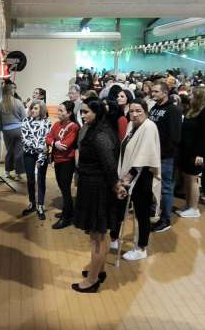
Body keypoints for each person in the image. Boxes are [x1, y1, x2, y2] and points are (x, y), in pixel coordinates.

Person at [72, 99, 120, 293]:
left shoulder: (100, 134)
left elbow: (109, 165)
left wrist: (116, 185)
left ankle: (92, 280)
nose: (83, 115)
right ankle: (99, 270)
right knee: (100, 234)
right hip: (93, 187)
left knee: (97, 237)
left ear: (97, 112)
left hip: (97, 190)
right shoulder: (98, 129)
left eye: (86, 112)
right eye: (82, 112)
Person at [111, 100, 162, 262]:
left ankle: (141, 248)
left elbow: (145, 155)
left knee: (142, 213)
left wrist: (127, 178)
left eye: (138, 110)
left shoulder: (149, 127)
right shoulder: (131, 126)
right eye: (131, 111)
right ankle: (114, 237)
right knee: (119, 207)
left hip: (142, 177)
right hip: (128, 175)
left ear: (145, 111)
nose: (134, 114)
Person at [148, 81, 182, 232]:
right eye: (152, 91)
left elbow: (175, 136)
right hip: (153, 154)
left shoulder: (173, 110)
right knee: (153, 185)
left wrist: (162, 153)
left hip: (165, 156)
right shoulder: (155, 108)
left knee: (166, 188)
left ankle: (166, 219)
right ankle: (154, 209)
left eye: (156, 91)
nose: (153, 94)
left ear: (165, 92)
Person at [176, 87, 205, 219]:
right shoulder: (191, 111)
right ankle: (188, 204)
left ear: (198, 97)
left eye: (192, 95)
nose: (190, 97)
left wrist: (200, 154)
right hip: (186, 150)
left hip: (196, 152)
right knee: (186, 178)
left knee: (193, 179)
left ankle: (194, 208)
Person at [46, 100, 79, 229]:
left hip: (67, 161)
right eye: (58, 110)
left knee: (65, 189)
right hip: (58, 160)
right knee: (62, 187)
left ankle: (67, 217)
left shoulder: (73, 126)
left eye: (61, 110)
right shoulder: (57, 124)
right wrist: (55, 143)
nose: (58, 112)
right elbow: (48, 137)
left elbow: (65, 146)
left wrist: (54, 142)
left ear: (69, 113)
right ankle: (68, 211)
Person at [20, 101, 51, 220]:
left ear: (41, 110)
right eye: (32, 108)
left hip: (42, 155)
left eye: (36, 108)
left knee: (41, 180)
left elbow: (46, 142)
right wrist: (40, 148)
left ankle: (40, 205)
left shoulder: (47, 122)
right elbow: (25, 140)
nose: (33, 110)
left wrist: (41, 157)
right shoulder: (25, 121)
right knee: (30, 180)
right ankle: (32, 203)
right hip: (28, 154)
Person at [0, 82, 26, 180]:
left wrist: (3, 129)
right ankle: (18, 174)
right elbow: (24, 117)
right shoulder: (18, 102)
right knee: (19, 152)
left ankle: (7, 172)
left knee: (9, 151)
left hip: (7, 131)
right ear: (12, 91)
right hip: (18, 129)